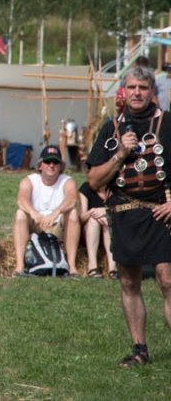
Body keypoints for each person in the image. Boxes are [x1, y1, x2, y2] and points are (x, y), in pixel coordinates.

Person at [86, 65, 171, 367]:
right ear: (124, 90)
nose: (137, 93)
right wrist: (120, 154)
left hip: (161, 215)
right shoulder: (111, 129)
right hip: (123, 214)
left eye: (143, 88)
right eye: (132, 87)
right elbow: (95, 180)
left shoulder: (168, 124)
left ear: (152, 91)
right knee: (128, 283)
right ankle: (139, 349)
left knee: (167, 280)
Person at [12, 145, 81, 277]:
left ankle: (71, 266)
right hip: (35, 224)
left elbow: (72, 199)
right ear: (40, 166)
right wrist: (33, 213)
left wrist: (55, 213)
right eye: (47, 161)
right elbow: (21, 199)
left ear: (60, 166)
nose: (51, 165)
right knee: (20, 214)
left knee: (72, 213)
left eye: (55, 162)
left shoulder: (67, 181)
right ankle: (20, 265)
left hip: (57, 227)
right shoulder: (29, 180)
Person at [78, 168, 117, 279]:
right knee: (93, 221)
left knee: (107, 221)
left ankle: (112, 267)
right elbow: (80, 219)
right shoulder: (85, 188)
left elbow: (124, 213)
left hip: (110, 230)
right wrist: (91, 212)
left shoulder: (115, 189)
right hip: (89, 233)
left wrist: (106, 212)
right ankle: (92, 265)